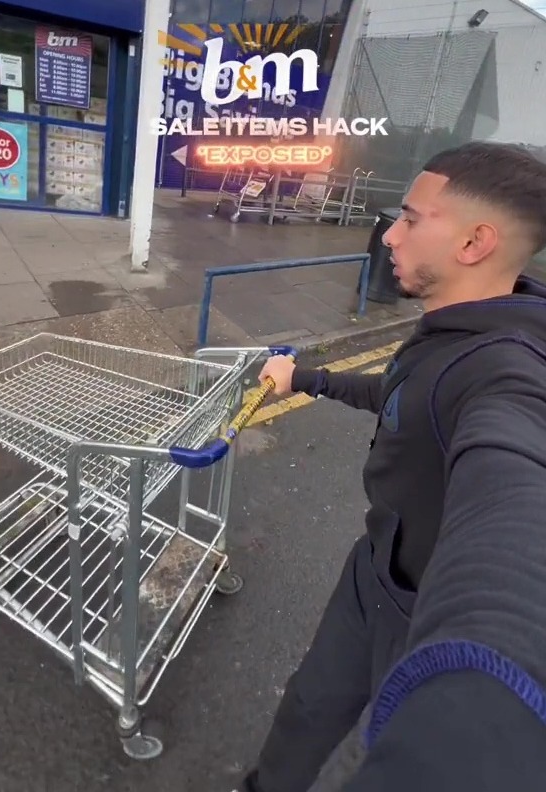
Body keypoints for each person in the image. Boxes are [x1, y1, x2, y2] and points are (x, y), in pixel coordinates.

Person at [232, 141, 546, 791]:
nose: (390, 235)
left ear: (473, 242)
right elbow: (402, 396)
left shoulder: (506, 372)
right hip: (371, 569)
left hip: (418, 611)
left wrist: (489, 689)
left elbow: (516, 504)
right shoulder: (458, 327)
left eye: (409, 217)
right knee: (308, 709)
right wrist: (308, 379)